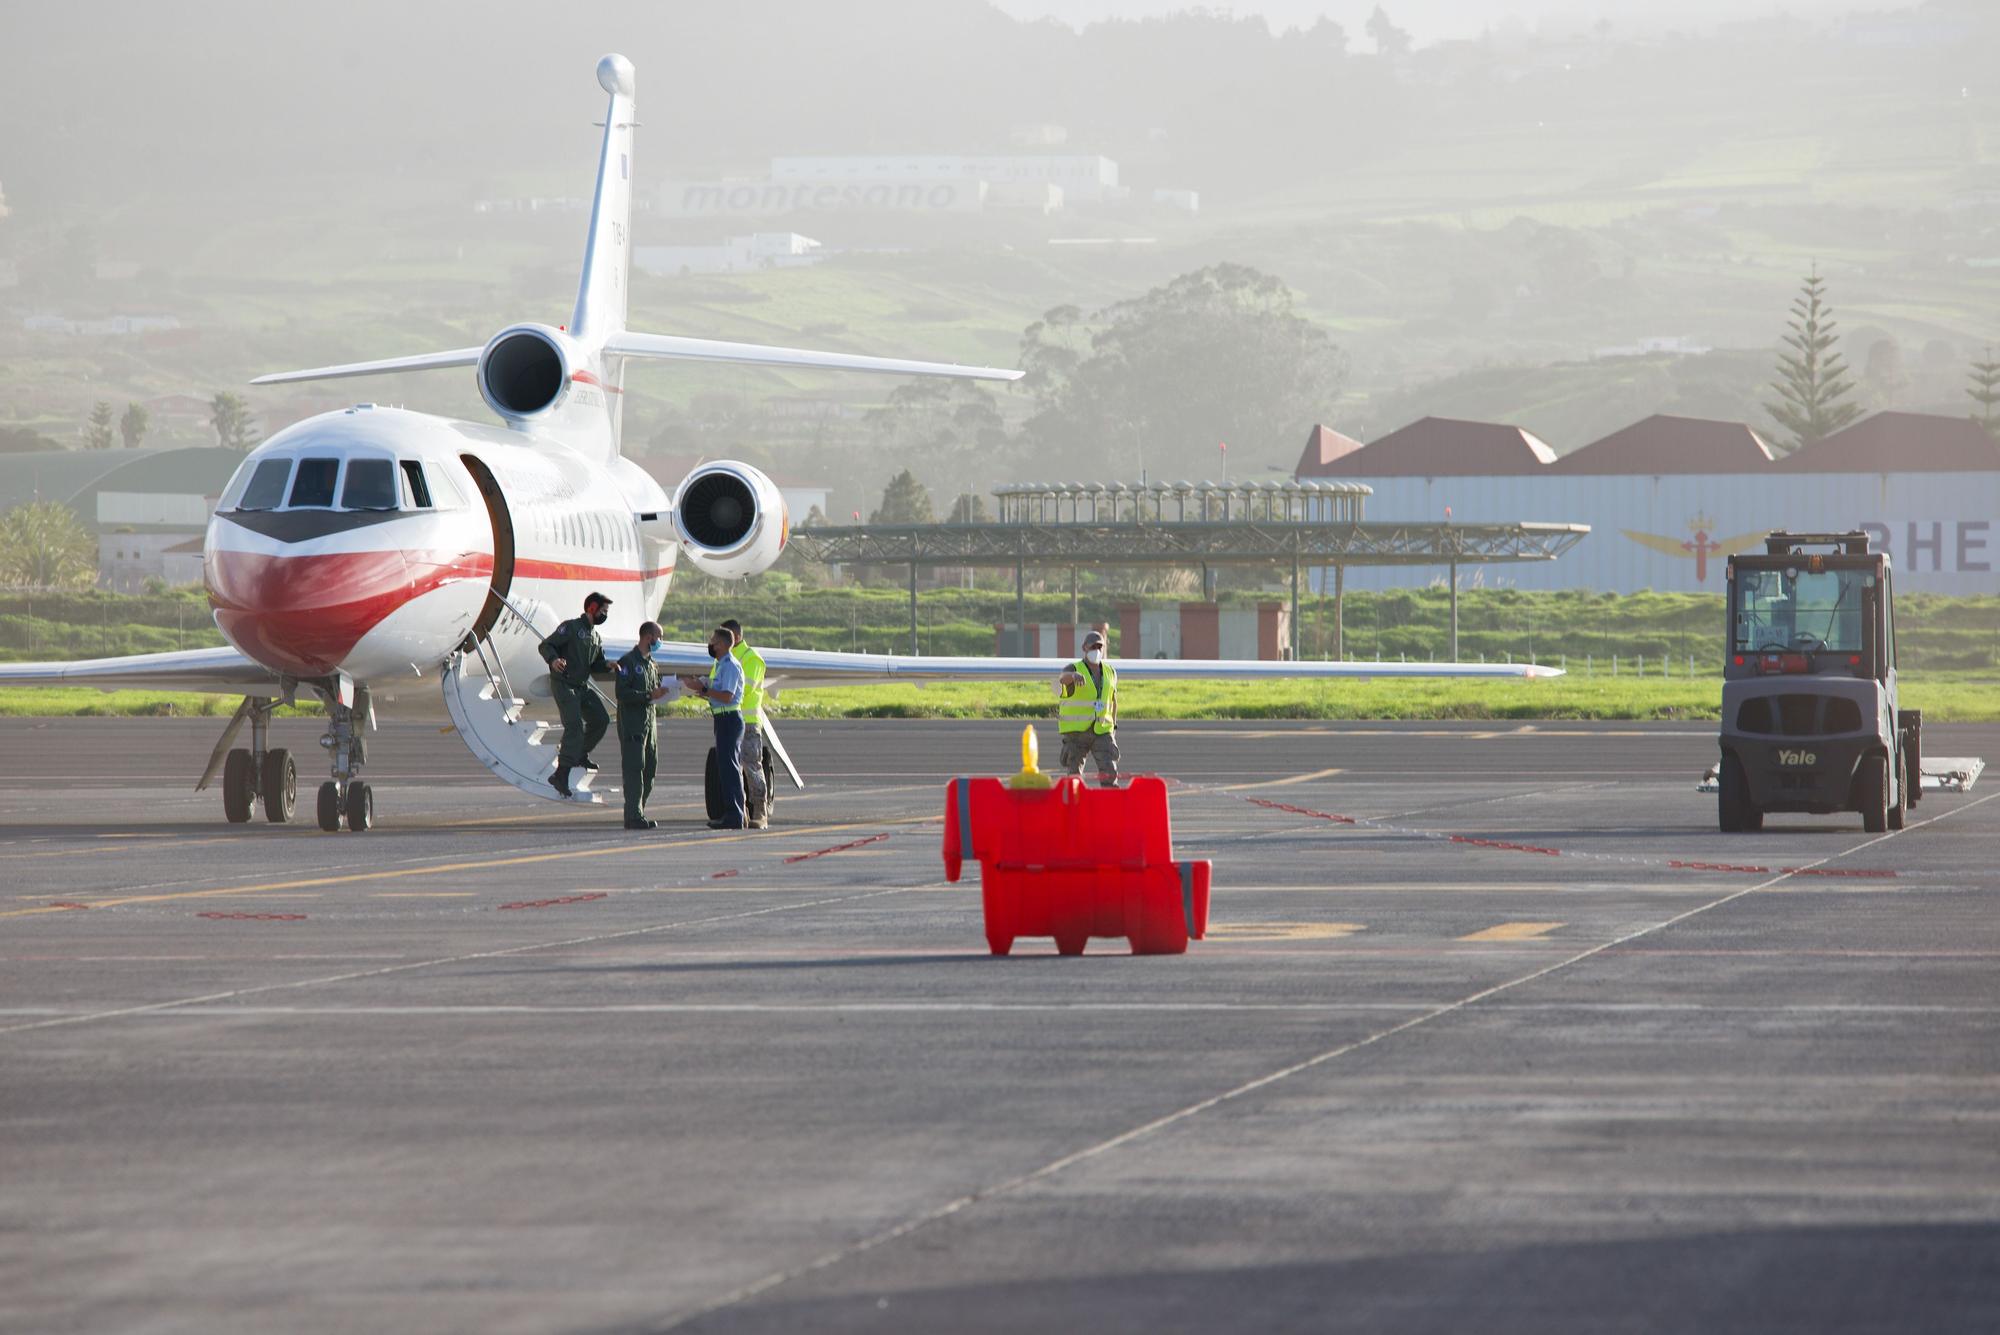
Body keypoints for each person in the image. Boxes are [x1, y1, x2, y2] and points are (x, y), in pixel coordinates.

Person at [539, 591, 613, 797]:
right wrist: (553, 660)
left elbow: (597, 664)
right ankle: (561, 775)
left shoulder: (596, 637)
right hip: (564, 684)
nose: (605, 615)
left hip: (581, 686)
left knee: (601, 719)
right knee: (574, 727)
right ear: (592, 608)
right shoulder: (571, 627)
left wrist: (608, 665)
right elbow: (546, 644)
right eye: (603, 610)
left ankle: (580, 753)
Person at [680, 628, 747, 830]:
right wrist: (702, 689)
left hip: (729, 720)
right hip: (723, 719)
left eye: (714, 641)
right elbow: (719, 693)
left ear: (725, 644)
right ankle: (732, 814)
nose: (711, 645)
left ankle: (734, 816)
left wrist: (705, 690)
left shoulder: (730, 667)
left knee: (730, 769)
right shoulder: (720, 665)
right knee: (726, 769)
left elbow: (727, 695)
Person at [614, 620, 670, 829]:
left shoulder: (652, 664)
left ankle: (639, 811)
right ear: (649, 637)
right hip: (633, 725)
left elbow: (656, 688)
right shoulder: (627, 662)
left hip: (649, 724)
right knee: (634, 769)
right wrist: (648, 694)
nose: (660, 642)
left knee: (650, 768)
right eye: (659, 637)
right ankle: (633, 816)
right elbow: (622, 693)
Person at [720, 618, 769, 829]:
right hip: (728, 719)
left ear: (736, 637)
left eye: (721, 637)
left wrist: (715, 691)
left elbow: (742, 690)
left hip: (748, 722)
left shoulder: (751, 659)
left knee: (751, 767)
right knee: (733, 769)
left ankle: (760, 811)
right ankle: (742, 813)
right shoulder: (724, 659)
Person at [1056, 628, 1119, 787]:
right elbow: (1062, 678)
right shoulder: (1073, 668)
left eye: (1100, 647)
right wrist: (1073, 676)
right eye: (1093, 647)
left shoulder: (1110, 671)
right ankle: (1074, 808)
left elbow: (1113, 700)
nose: (1097, 651)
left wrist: (1113, 726)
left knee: (1109, 773)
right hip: (1077, 733)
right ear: (1084, 648)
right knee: (1074, 776)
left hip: (1102, 730)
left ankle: (1110, 806)